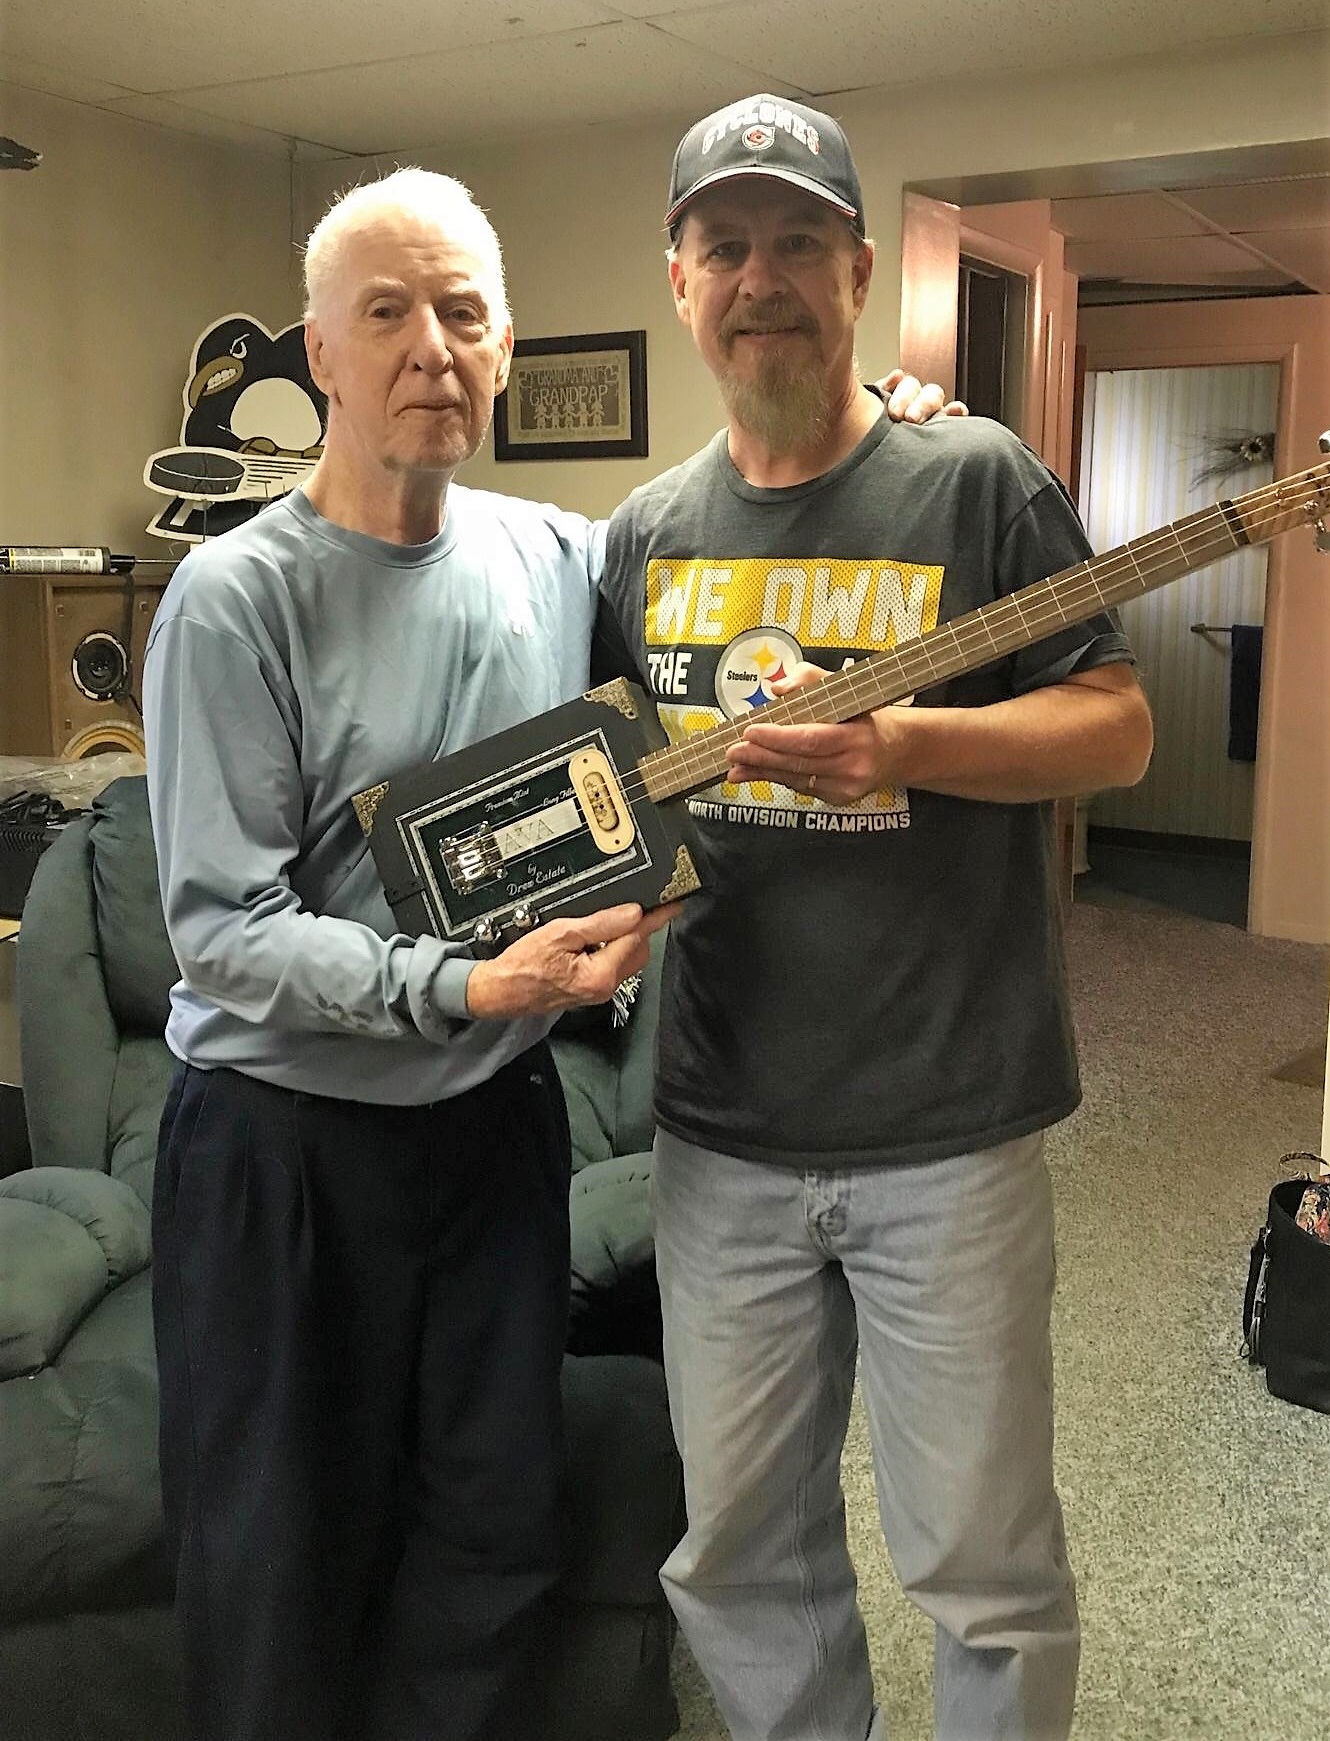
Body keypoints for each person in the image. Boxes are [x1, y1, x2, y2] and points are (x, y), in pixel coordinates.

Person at [143, 164, 954, 1741]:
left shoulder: (565, 559)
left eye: (461, 311)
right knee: (275, 1561)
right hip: (280, 1158)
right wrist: (464, 986)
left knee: (489, 1536)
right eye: (386, 312)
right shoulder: (232, 600)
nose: (428, 346)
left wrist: (885, 425)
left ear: (506, 346)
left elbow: (736, 604)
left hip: (490, 1144)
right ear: (322, 351)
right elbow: (221, 932)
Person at [599, 96, 1155, 1741]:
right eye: (724, 247)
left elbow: (1114, 723)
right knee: (741, 1550)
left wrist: (905, 743)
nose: (757, 277)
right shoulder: (641, 534)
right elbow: (620, 794)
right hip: (721, 1129)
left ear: (855, 272)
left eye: (792, 244)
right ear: (681, 281)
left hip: (948, 1123)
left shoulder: (973, 476)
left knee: (980, 1559)